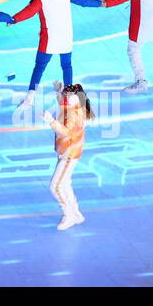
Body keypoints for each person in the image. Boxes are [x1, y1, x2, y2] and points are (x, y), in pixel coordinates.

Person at [9, 0, 104, 107]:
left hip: (49, 40)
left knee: (39, 68)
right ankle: (70, 97)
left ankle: (29, 99)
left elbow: (28, 12)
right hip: (66, 38)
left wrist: (14, 19)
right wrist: (100, 3)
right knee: (67, 66)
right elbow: (83, 0)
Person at [44, 82, 94, 230]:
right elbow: (63, 107)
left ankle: (68, 215)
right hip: (67, 151)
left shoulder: (75, 113)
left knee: (56, 186)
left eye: (68, 95)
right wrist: (58, 93)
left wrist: (50, 121)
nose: (65, 97)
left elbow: (66, 132)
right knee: (65, 184)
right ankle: (76, 213)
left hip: (69, 153)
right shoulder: (75, 107)